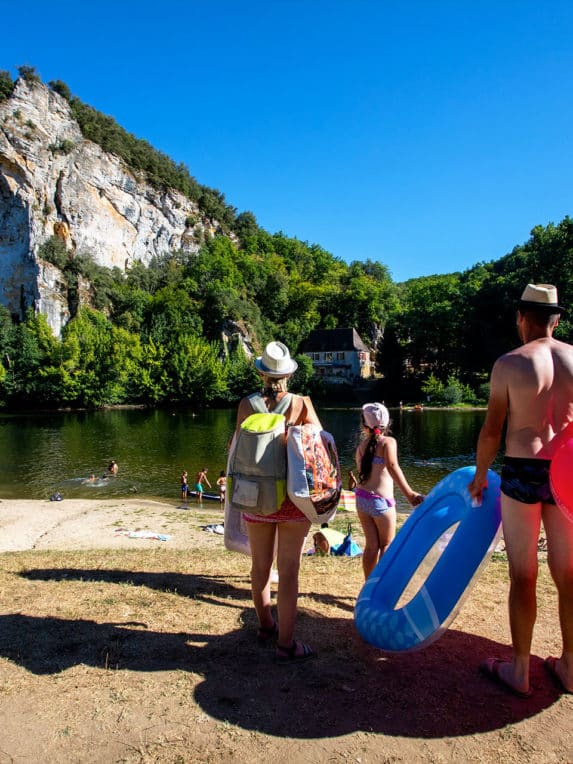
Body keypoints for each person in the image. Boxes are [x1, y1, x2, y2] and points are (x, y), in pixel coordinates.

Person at [468, 283, 573, 697]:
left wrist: (480, 476)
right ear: (557, 320)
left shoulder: (508, 363)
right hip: (567, 473)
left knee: (523, 575)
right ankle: (569, 666)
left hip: (521, 470)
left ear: (521, 318)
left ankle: (520, 670)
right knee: (568, 576)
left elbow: (492, 430)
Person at [234, 340, 321, 663]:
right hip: (292, 500)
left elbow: (236, 447)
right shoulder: (301, 404)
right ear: (288, 375)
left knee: (259, 567)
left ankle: (265, 625)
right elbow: (319, 449)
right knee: (289, 571)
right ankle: (286, 644)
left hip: (256, 496)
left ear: (262, 374)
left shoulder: (246, 404)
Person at [355, 402, 424, 580]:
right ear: (388, 423)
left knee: (371, 546)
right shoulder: (388, 442)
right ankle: (381, 588)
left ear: (365, 425)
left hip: (362, 500)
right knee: (386, 545)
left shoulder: (362, 446)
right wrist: (410, 494)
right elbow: (393, 467)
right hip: (381, 503)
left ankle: (368, 588)